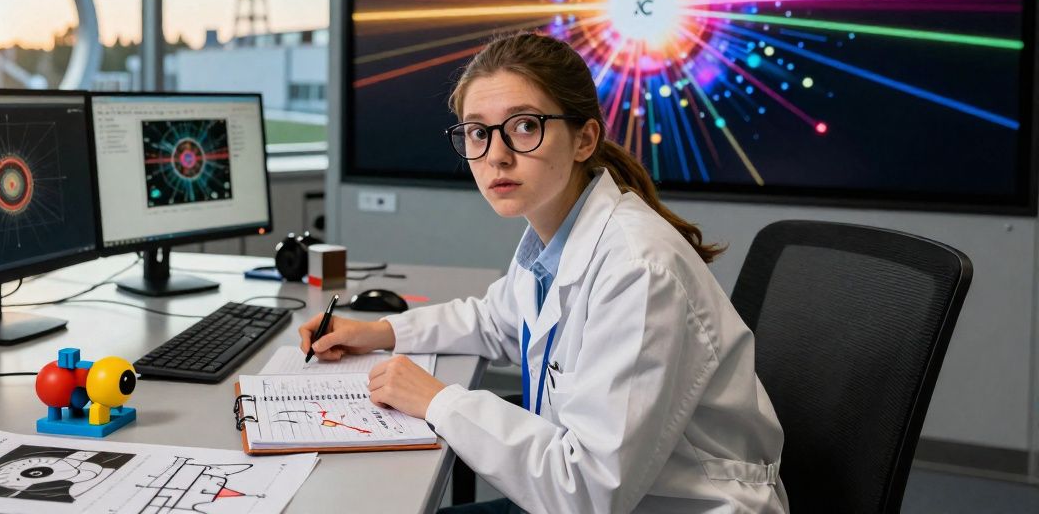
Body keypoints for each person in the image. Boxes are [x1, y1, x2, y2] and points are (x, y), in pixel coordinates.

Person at [299, 32, 788, 513]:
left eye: (525, 126)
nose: (496, 154)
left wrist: (438, 401)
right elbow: (498, 321)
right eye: (477, 131)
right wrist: (377, 331)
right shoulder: (555, 236)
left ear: (584, 139)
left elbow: (590, 491)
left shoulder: (639, 270)